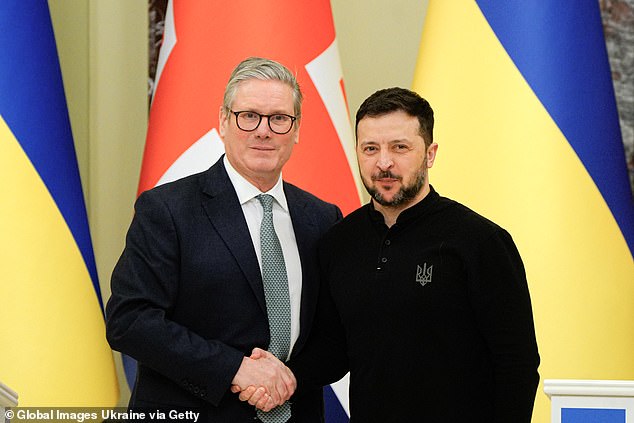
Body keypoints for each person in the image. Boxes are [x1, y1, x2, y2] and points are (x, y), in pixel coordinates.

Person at [240, 87, 540, 422]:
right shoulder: (338, 242)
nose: (384, 163)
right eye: (371, 149)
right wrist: (284, 377)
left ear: (430, 153)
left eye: (400, 148)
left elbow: (518, 363)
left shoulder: (480, 241)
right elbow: (334, 349)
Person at [105, 57, 342, 422]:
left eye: (279, 118)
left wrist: (288, 378)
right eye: (248, 116)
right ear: (223, 121)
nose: (263, 131)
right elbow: (130, 320)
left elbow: (335, 334)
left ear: (296, 130)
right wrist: (236, 369)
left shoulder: (322, 218)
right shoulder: (167, 209)